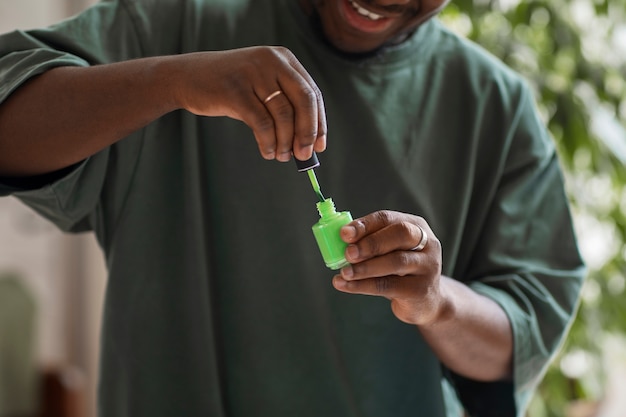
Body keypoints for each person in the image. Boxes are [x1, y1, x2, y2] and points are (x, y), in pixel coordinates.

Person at [0, 0, 586, 416]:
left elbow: (515, 345)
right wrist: (176, 81)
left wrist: (434, 300)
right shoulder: (176, 23)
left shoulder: (494, 108)